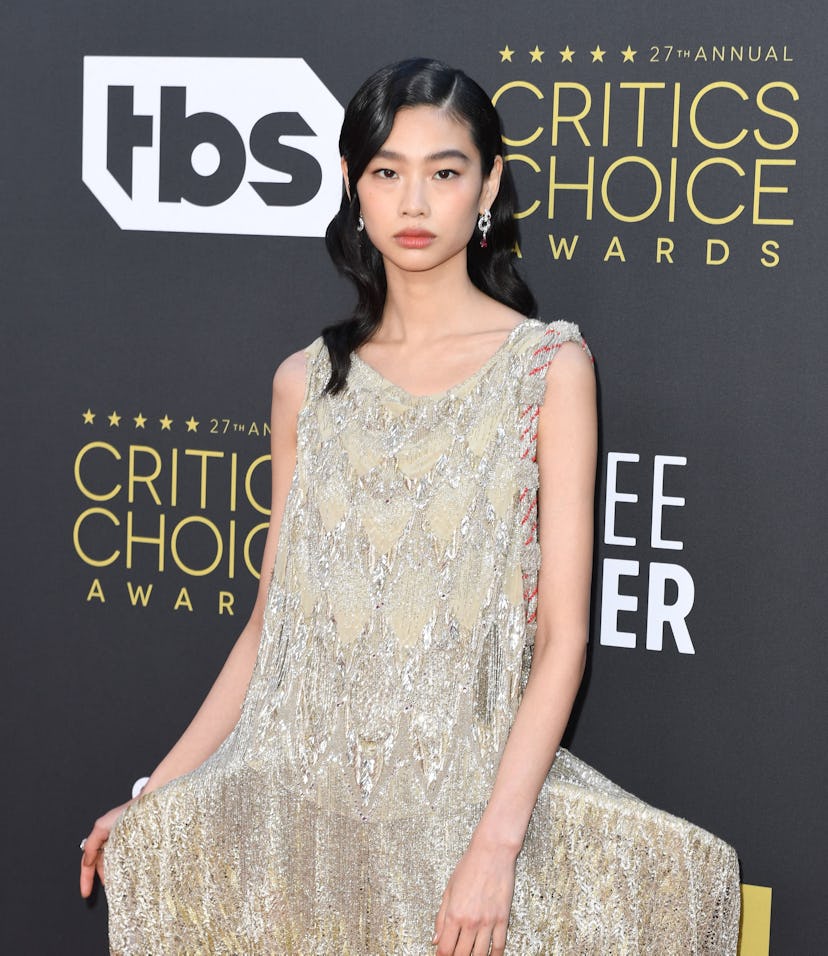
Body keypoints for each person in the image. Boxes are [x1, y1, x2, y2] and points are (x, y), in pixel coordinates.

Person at [80, 58, 740, 955]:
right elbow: (269, 626)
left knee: (669, 888)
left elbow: (562, 641)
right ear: (355, 188)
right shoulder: (302, 384)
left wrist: (494, 848)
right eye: (388, 172)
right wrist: (155, 794)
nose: (415, 201)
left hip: (468, 810)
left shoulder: (547, 370)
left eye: (445, 170)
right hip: (308, 824)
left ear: (489, 185)